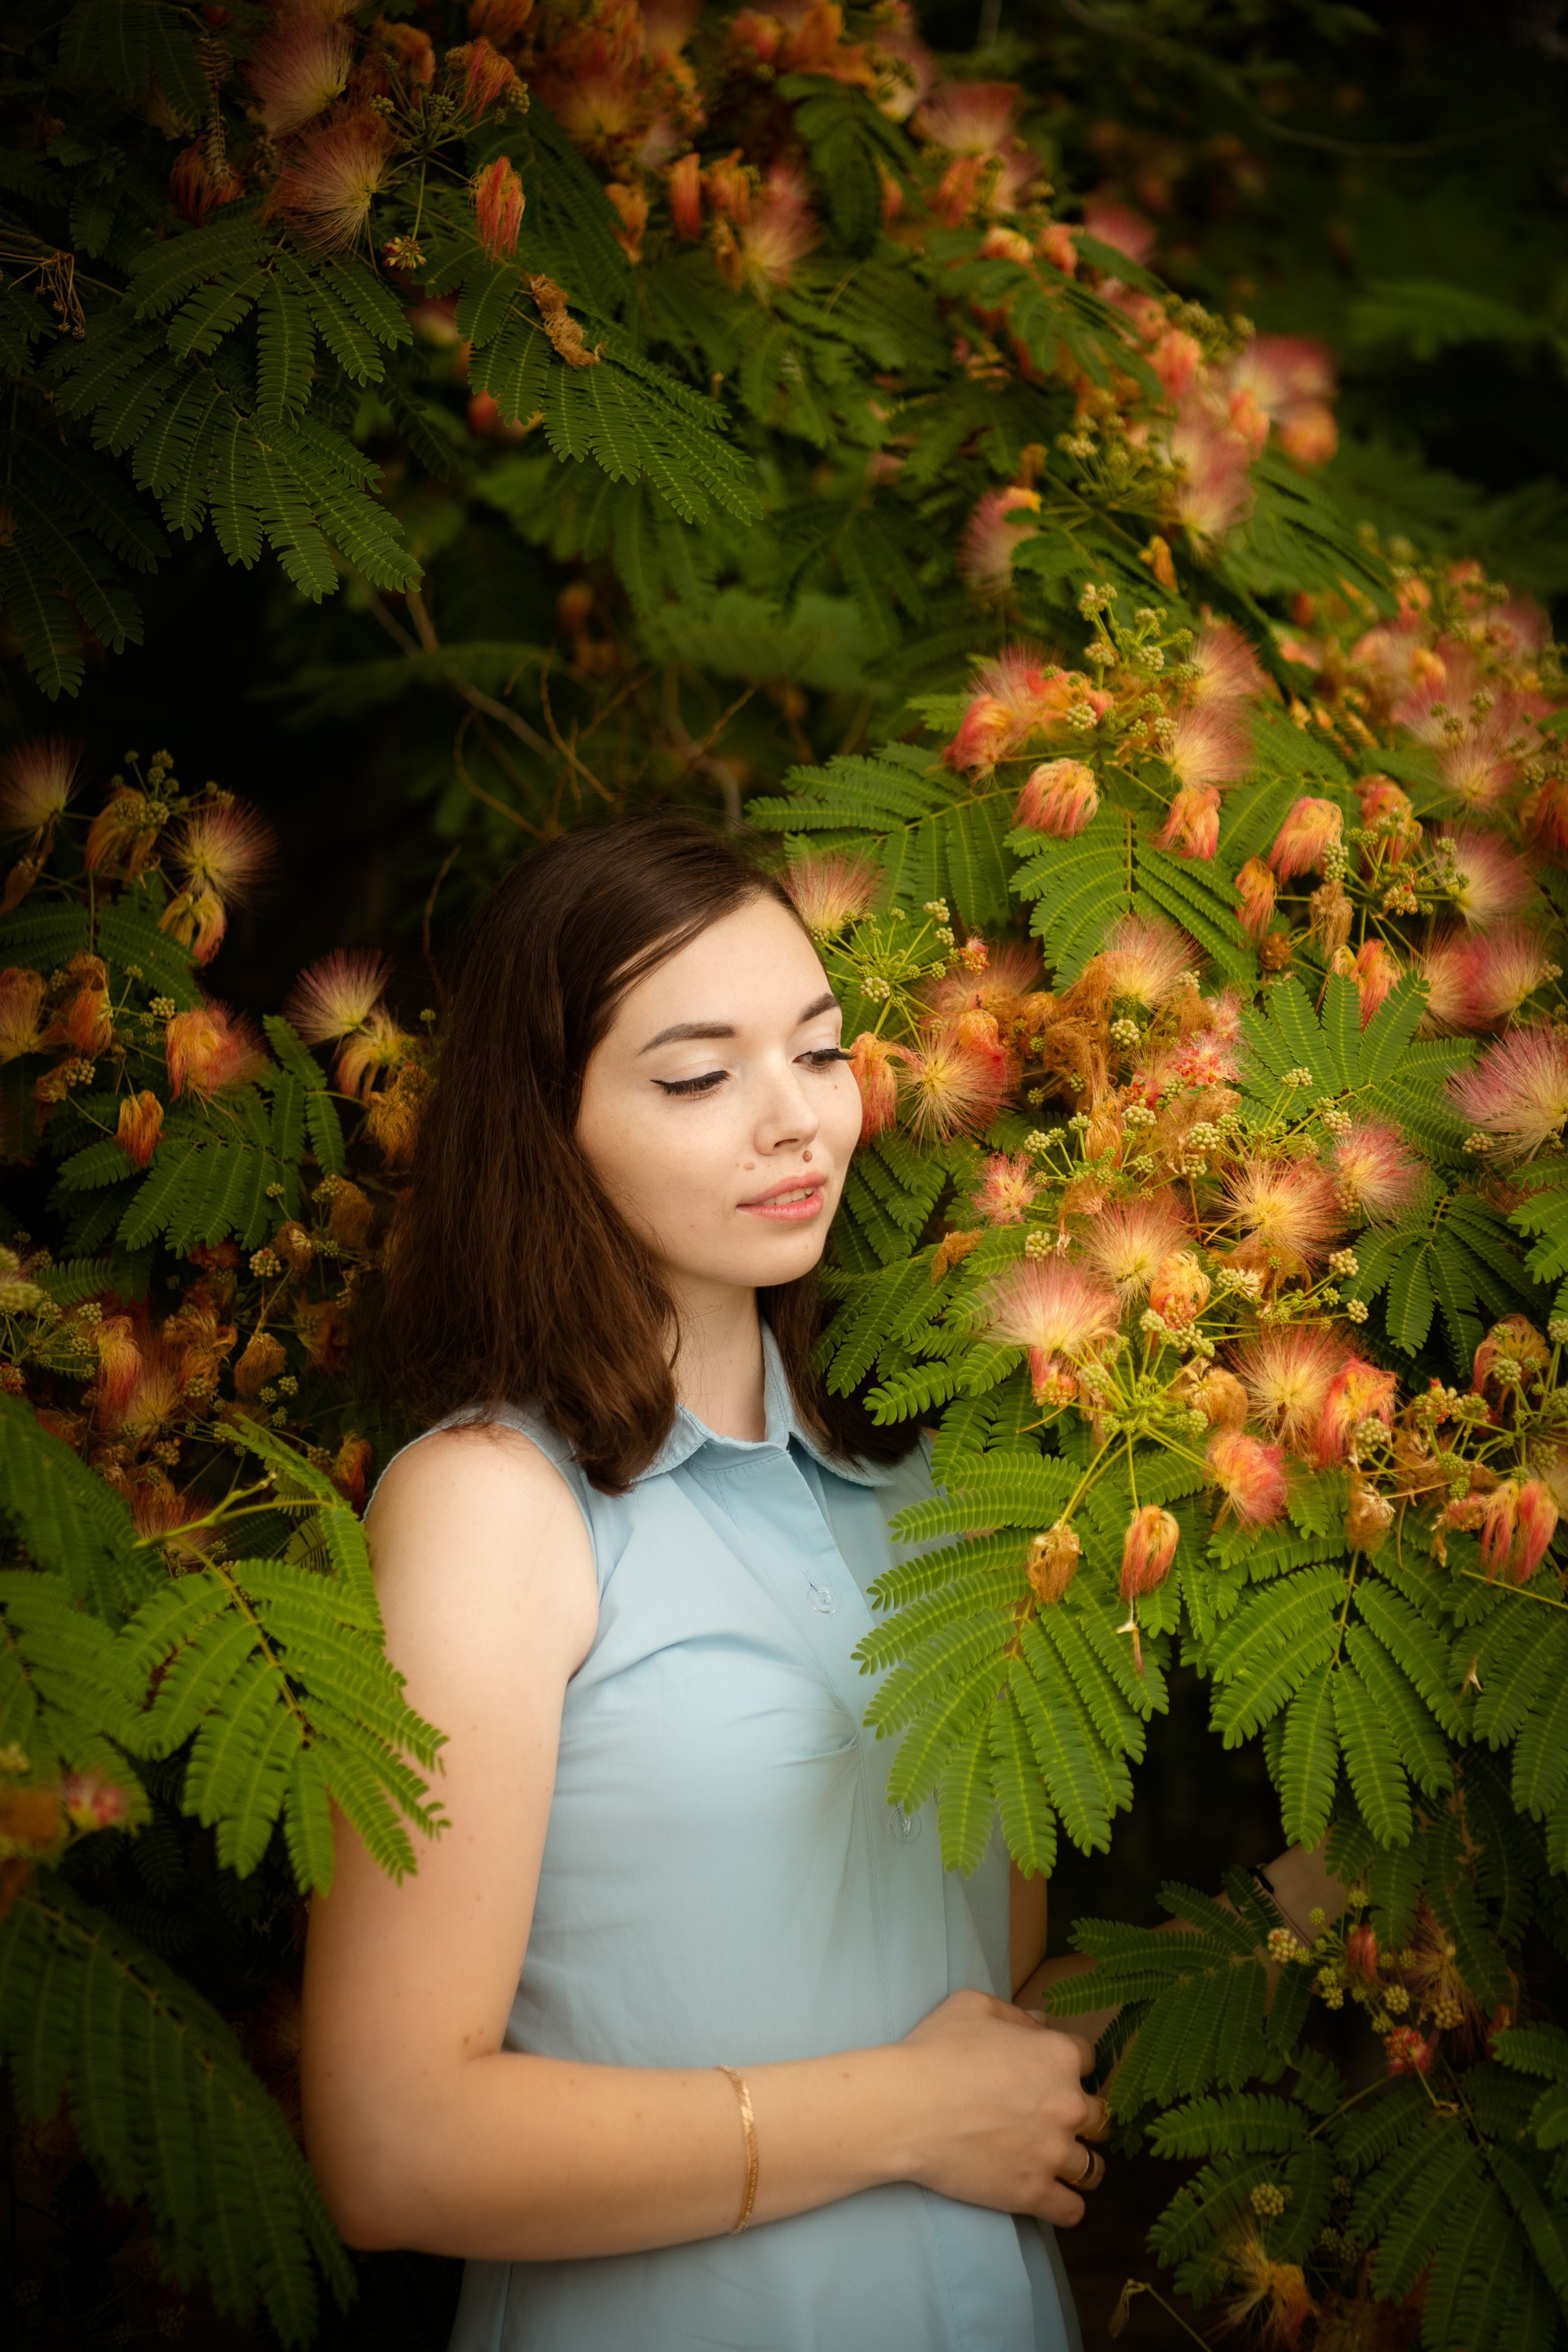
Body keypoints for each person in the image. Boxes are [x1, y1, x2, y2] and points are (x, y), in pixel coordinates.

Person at [300, 816, 1335, 2350]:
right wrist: (904, 2116)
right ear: (549, 1123)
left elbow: (991, 2043)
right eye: (698, 1075)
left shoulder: (941, 1503)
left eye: (820, 1051)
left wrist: (1305, 1907)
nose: (795, 1121)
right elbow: (394, 2152)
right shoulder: (491, 1511)